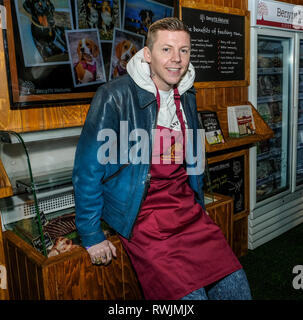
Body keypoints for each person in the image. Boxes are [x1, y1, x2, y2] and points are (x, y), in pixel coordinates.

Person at [72, 17, 252, 300]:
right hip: (143, 217)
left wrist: (198, 202)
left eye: (184, 50)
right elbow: (87, 171)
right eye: (166, 49)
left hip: (187, 213)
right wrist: (91, 234)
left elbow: (193, 159)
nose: (177, 59)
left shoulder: (188, 94)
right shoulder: (114, 96)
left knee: (237, 287)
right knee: (191, 298)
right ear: (147, 53)